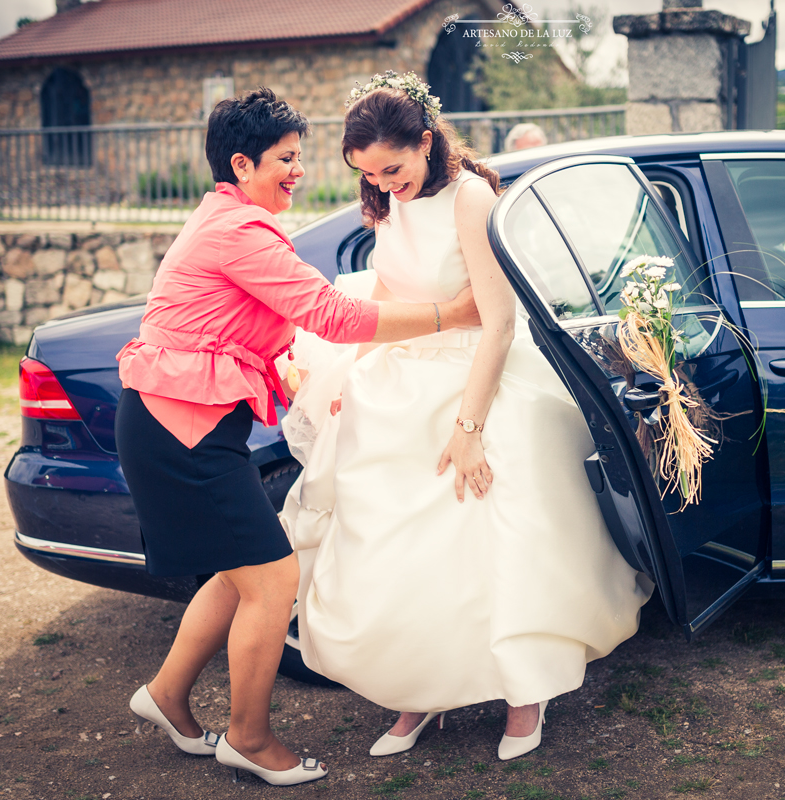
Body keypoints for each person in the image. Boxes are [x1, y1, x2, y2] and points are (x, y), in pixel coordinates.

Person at [279, 72, 652, 763]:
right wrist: (351, 369)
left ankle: (523, 695)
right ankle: (419, 692)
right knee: (398, 551)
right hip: (399, 382)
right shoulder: (389, 201)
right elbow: (388, 292)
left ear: (425, 141)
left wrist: (469, 427)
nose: (384, 183)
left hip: (477, 379)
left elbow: (499, 322)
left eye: (393, 167)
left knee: (493, 541)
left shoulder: (470, 195)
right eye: (369, 174)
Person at [113, 87, 480, 787]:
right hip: (176, 426)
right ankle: (249, 737)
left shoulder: (232, 219)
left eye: (299, 157)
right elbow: (331, 316)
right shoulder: (240, 232)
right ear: (242, 163)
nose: (298, 171)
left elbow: (256, 330)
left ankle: (165, 697)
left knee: (237, 570)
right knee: (274, 576)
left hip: (181, 421)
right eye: (285, 159)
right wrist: (450, 314)